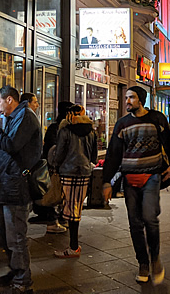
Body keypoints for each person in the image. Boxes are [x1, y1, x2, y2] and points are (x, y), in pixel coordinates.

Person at [102, 86, 170, 285]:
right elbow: (113, 155)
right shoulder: (122, 124)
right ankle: (143, 263)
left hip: (152, 176)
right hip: (130, 179)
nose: (127, 101)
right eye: (126, 97)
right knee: (135, 224)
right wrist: (106, 182)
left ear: (141, 100)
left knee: (149, 219)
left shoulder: (157, 118)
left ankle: (155, 259)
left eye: (131, 97)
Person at [0, 85, 42, 293]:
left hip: (16, 186)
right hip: (8, 183)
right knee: (8, 237)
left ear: (10, 100)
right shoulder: (16, 117)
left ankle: (23, 281)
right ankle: (15, 272)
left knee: (16, 236)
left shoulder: (25, 117)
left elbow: (10, 145)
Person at [53, 105, 98, 259]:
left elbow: (59, 153)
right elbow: (94, 156)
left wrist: (55, 166)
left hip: (68, 171)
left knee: (70, 208)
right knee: (76, 207)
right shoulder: (91, 132)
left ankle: (73, 247)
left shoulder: (65, 131)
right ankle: (73, 245)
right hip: (84, 172)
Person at [29, 100, 73, 229]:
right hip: (56, 167)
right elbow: (53, 148)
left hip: (58, 166)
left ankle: (52, 216)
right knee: (53, 191)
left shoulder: (58, 127)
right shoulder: (59, 128)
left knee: (55, 192)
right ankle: (52, 218)